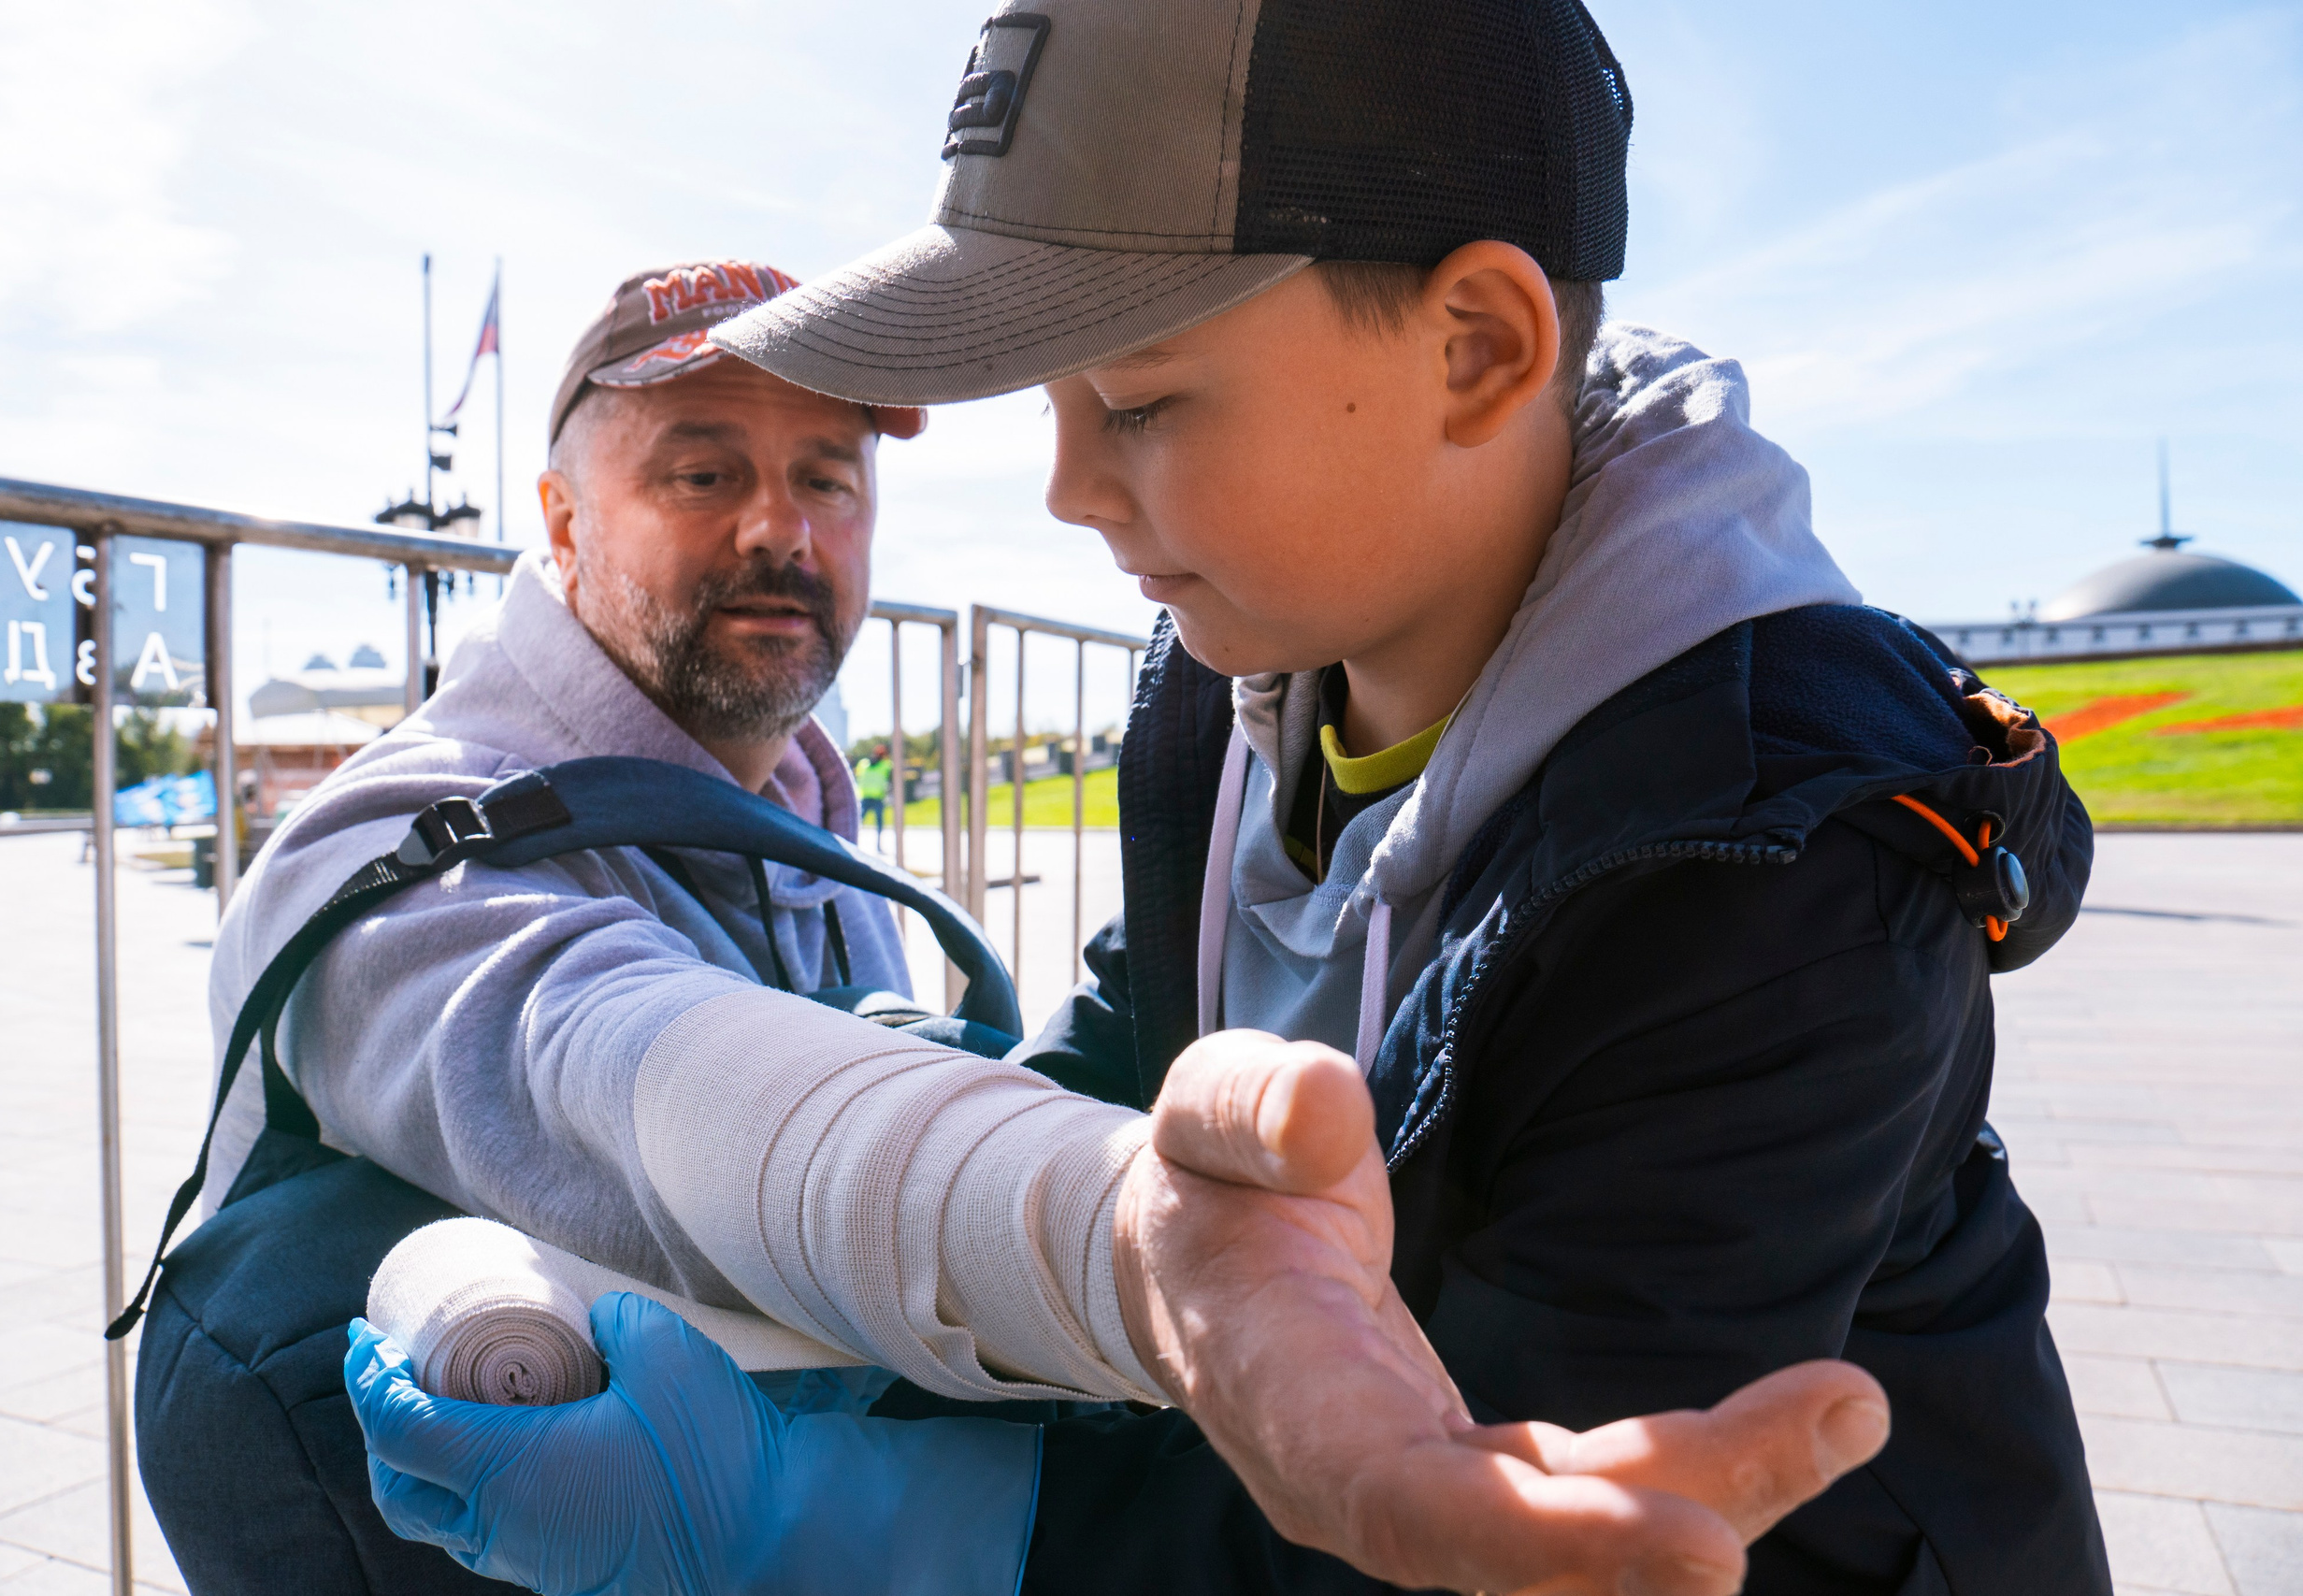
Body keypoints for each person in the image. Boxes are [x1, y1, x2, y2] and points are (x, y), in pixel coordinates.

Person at [354, 0, 2111, 1592]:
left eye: (1139, 396)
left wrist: (821, 1514)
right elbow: (1139, 1067)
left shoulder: (1766, 858)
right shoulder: (1238, 670)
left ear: (1482, 349)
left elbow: (1479, 1519)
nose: (1063, 488)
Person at [166, 251, 1887, 1595]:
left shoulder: (810, 830)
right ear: (555, 520)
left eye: (829, 475)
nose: (782, 528)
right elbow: (616, 1061)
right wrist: (1123, 1239)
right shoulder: (394, 841)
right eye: (699, 472)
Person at [855, 749, 892, 841]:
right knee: (878, 823)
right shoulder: (885, 765)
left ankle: (852, 841)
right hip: (876, 797)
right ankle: (878, 845)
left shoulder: (863, 764)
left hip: (866, 796)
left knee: (858, 822)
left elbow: (858, 774)